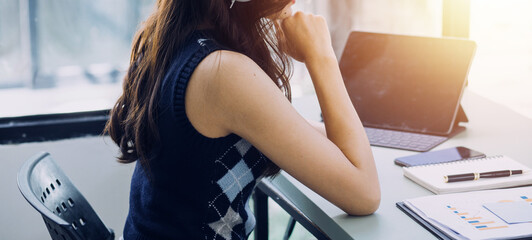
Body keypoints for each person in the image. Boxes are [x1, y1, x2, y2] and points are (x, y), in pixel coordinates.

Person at [106, 0, 380, 239]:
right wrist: (321, 56)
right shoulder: (223, 72)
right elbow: (364, 195)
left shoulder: (177, 40)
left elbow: (318, 141)